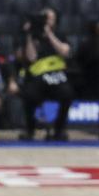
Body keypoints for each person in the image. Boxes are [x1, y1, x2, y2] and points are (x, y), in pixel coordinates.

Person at [19, 8, 74, 141]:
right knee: (29, 95)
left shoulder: (59, 34)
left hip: (57, 76)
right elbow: (31, 58)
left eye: (50, 18)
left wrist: (49, 34)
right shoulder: (34, 36)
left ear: (55, 22)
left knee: (68, 94)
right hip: (38, 77)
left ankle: (59, 129)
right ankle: (30, 129)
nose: (47, 21)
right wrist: (29, 35)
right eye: (45, 18)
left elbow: (64, 52)